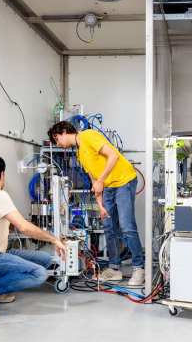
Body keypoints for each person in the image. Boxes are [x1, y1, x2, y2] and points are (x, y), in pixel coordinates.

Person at [0, 155, 67, 318]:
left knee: (45, 259)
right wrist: (54, 239)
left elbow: (3, 223)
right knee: (39, 274)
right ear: (2, 175)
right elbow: (23, 227)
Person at [47, 121, 144, 286]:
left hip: (124, 181)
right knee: (108, 225)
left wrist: (101, 180)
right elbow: (94, 180)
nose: (58, 144)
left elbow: (113, 155)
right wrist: (100, 205)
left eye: (57, 139)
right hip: (108, 186)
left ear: (64, 131)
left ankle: (139, 268)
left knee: (126, 225)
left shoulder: (87, 136)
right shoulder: (80, 153)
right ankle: (114, 269)